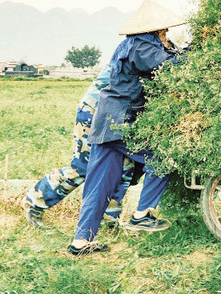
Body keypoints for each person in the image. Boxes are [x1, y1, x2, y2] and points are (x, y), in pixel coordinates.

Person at [68, 0, 186, 256]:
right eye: (164, 29)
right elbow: (169, 65)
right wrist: (194, 56)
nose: (167, 33)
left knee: (98, 185)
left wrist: (178, 50)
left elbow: (165, 57)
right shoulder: (142, 45)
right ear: (155, 28)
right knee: (164, 157)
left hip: (107, 122)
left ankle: (80, 242)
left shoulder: (133, 44)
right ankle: (142, 215)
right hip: (121, 122)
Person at [22, 63, 140, 228]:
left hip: (121, 118)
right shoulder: (139, 52)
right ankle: (35, 202)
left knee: (122, 168)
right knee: (83, 167)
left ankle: (108, 220)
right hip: (94, 112)